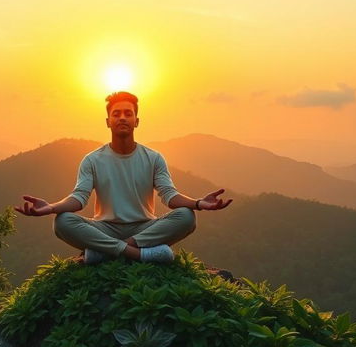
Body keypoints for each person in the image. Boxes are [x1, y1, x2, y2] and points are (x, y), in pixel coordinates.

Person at [14, 91, 232, 264]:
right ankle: (139, 255)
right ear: (108, 121)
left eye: (128, 113)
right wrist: (51, 207)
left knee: (187, 216)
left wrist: (199, 203)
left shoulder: (153, 158)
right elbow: (79, 199)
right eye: (116, 114)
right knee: (62, 221)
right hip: (105, 227)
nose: (122, 118)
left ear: (137, 121)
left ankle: (106, 252)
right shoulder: (92, 160)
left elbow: (169, 196)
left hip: (145, 227)